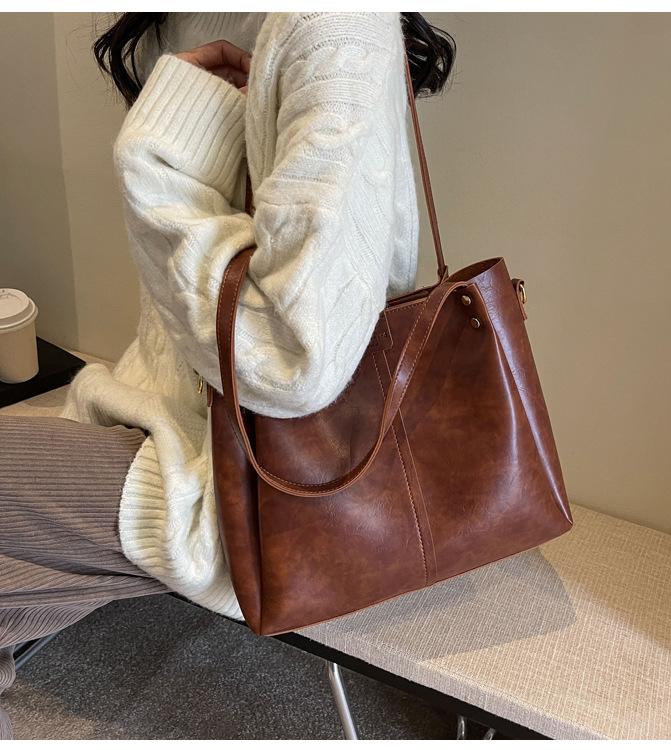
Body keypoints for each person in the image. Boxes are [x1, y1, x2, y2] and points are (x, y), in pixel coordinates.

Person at [0, 12, 454, 739]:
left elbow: (292, 361)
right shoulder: (235, 20)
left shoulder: (334, 27)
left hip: (266, 488)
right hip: (188, 432)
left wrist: (155, 161)